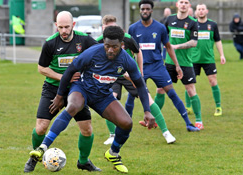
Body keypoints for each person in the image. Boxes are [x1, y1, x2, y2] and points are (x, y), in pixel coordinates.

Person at [29, 25, 156, 173]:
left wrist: (147, 111)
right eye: (107, 45)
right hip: (82, 89)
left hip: (103, 96)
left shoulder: (126, 60)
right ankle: (42, 147)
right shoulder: (92, 53)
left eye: (114, 47)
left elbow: (140, 84)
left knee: (127, 123)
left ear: (121, 45)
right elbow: (70, 71)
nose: (109, 50)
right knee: (72, 107)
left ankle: (113, 153)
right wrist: (59, 96)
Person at [24, 11, 100, 173]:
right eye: (60, 27)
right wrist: (64, 77)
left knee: (87, 129)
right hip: (52, 89)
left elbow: (100, 53)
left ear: (73, 25)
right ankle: (34, 158)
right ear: (56, 26)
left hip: (77, 90)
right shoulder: (50, 43)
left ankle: (84, 161)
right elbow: (41, 68)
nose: (64, 31)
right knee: (41, 128)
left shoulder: (84, 40)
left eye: (67, 27)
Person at [97, 14, 176, 145]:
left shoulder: (127, 39)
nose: (109, 32)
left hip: (129, 74)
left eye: (111, 28)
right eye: (106, 28)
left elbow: (138, 52)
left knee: (148, 99)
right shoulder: (100, 41)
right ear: (102, 28)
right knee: (109, 99)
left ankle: (166, 132)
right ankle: (112, 135)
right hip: (113, 77)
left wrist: (140, 72)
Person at [128, 0, 199, 132]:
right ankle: (125, 125)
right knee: (132, 95)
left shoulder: (160, 27)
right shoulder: (133, 28)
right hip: (140, 67)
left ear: (151, 11)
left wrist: (177, 65)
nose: (145, 11)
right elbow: (128, 50)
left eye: (147, 9)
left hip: (157, 67)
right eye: (142, 9)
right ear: (140, 10)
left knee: (171, 93)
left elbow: (168, 47)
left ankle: (188, 123)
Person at [163, 0, 204, 129]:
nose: (183, 4)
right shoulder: (169, 20)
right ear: (177, 5)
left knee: (191, 90)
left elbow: (194, 42)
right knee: (160, 89)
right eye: (181, 2)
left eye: (186, 2)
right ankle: (151, 118)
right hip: (169, 62)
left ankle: (199, 120)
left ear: (189, 6)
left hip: (186, 63)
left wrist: (177, 46)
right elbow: (161, 36)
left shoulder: (193, 23)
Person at [185, 4, 226, 118]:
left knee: (213, 82)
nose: (201, 11)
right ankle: (188, 107)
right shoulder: (192, 24)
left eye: (203, 9)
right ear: (196, 11)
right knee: (189, 83)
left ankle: (218, 106)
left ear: (207, 11)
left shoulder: (212, 24)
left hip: (208, 59)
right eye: (199, 9)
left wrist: (222, 55)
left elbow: (217, 40)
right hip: (193, 59)